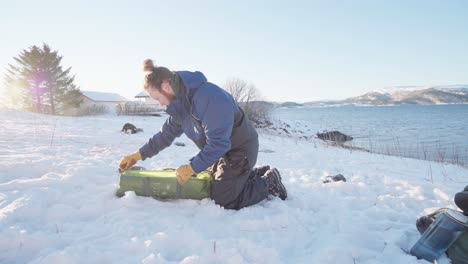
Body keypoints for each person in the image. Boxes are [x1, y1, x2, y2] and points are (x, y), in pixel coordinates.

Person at [119, 59, 287, 210]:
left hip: (239, 151)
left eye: (157, 98)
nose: (160, 104)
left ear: (166, 86)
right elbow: (165, 135)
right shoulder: (180, 106)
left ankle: (269, 182)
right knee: (205, 180)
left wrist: (192, 168)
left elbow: (219, 144)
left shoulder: (208, 97)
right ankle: (248, 175)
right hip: (221, 154)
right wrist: (138, 155)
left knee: (223, 199)